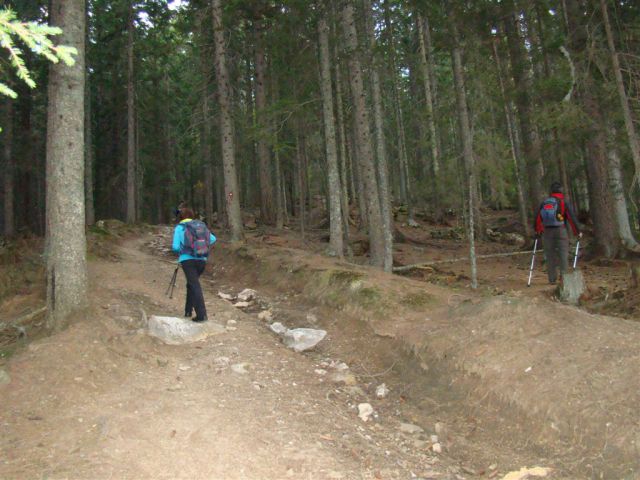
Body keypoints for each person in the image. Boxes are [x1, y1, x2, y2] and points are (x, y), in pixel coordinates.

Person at [171, 207, 217, 322]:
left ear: (180, 217)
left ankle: (202, 315)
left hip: (187, 260)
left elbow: (175, 247)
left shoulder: (180, 228)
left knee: (194, 284)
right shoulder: (200, 226)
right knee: (191, 283)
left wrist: (182, 250)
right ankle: (188, 311)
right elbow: (212, 239)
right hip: (202, 258)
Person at [534, 182, 582, 284]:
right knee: (563, 254)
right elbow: (571, 218)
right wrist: (577, 231)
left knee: (550, 255)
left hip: (547, 232)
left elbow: (538, 218)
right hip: (561, 230)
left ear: (551, 191)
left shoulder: (544, 203)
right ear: (561, 190)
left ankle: (552, 279)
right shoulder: (563, 202)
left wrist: (538, 230)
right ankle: (564, 279)